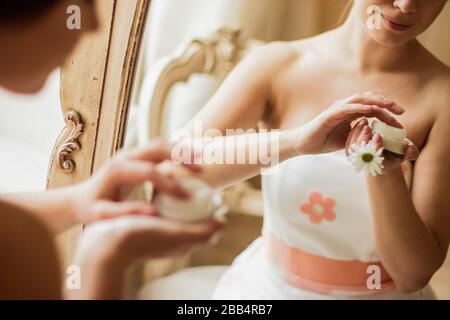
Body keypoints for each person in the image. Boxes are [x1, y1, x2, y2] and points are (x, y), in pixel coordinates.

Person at [178, 0, 449, 299]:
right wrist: (296, 142)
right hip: (266, 291)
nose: (407, 4)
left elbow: (412, 275)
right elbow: (177, 171)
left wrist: (382, 173)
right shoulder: (276, 64)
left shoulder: (443, 97)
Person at [0, 0, 223, 300]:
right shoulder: (20, 249)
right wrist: (104, 255)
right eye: (85, 3)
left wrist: (77, 202)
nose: (91, 24)